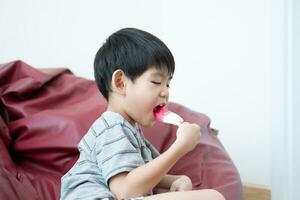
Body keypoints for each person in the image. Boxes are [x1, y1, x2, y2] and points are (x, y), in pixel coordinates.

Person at [60, 28, 225, 200]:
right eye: (156, 82)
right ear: (120, 83)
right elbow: (125, 190)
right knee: (213, 197)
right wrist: (180, 147)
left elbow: (140, 173)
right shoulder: (112, 128)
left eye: (167, 84)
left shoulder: (131, 129)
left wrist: (177, 179)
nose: (165, 92)